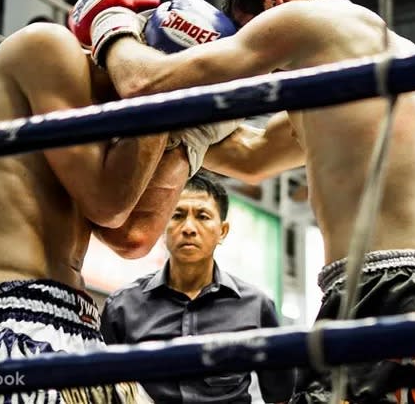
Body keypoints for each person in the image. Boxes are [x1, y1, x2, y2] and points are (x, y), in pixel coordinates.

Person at [69, 0, 415, 403]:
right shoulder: (386, 56)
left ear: (272, 1)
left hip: (385, 295)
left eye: (248, 33)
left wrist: (112, 25)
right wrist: (185, 128)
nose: (262, 70)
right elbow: (250, 157)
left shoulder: (303, 19)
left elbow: (142, 82)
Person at [0, 0, 240, 402]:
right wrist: (161, 90)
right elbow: (109, 205)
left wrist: (187, 133)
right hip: (16, 323)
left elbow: (134, 237)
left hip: (84, 327)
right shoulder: (45, 46)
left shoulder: (112, 126)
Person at [101, 171, 295, 403]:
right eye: (177, 215)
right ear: (162, 227)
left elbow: (281, 396)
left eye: (202, 216)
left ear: (222, 231)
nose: (189, 228)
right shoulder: (122, 307)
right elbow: (105, 393)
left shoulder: (256, 306)